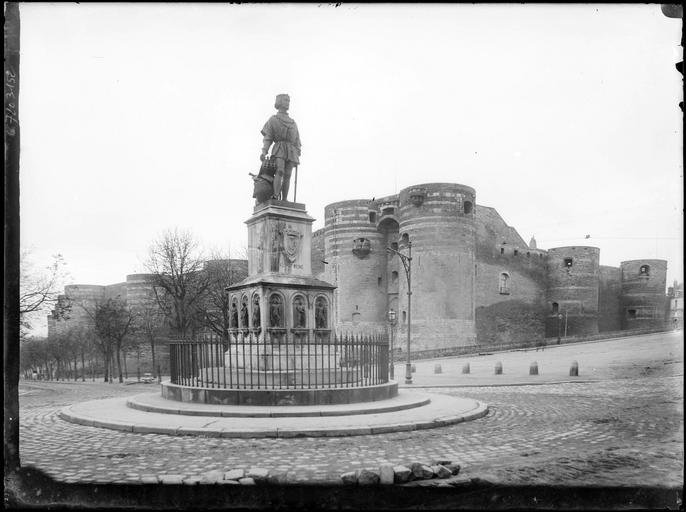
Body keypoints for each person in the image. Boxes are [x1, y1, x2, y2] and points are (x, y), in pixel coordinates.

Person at [260, 94, 301, 201]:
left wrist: (298, 151)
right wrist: (264, 151)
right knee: (280, 171)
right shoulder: (273, 119)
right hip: (279, 148)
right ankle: (276, 195)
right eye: (285, 100)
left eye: (288, 100)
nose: (288, 102)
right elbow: (268, 137)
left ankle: (285, 199)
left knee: (288, 175)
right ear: (279, 102)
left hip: (291, 150)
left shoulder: (293, 123)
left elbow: (297, 140)